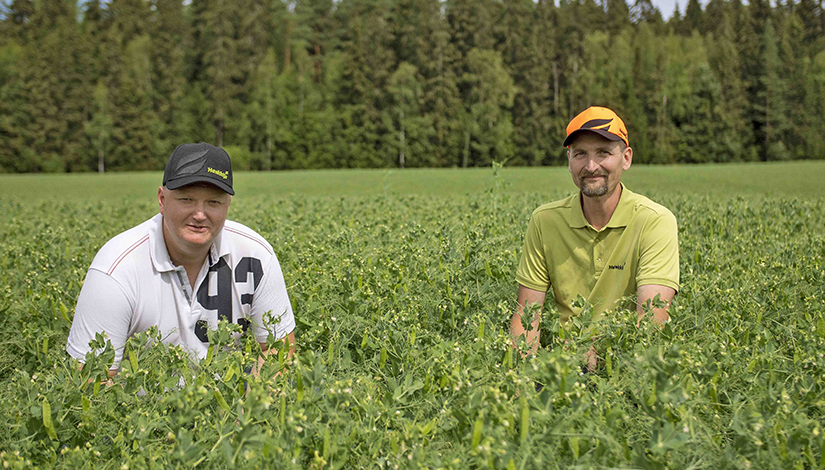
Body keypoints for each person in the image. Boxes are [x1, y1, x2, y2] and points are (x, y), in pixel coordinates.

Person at [67, 142, 296, 378]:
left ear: (228, 206)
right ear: (162, 200)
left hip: (229, 401)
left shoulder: (255, 254)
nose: (199, 214)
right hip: (140, 408)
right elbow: (93, 382)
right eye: (186, 199)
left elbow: (279, 351)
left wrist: (247, 411)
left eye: (213, 202)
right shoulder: (116, 270)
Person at [510, 106, 679, 365]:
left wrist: (604, 354)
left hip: (630, 368)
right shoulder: (545, 221)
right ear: (569, 161)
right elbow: (527, 318)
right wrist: (522, 380)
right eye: (580, 154)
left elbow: (652, 322)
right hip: (563, 368)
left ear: (626, 158)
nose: (591, 166)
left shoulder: (654, 221)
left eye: (603, 153)